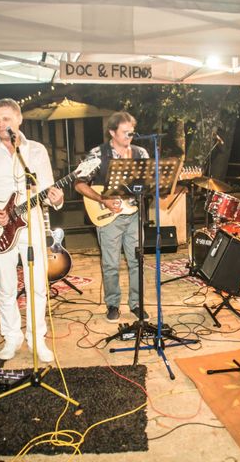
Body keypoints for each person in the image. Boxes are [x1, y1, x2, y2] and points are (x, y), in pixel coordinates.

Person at [0, 98, 64, 362]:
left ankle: (37, 339)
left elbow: (48, 191)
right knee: (5, 285)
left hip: (32, 223)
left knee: (37, 285)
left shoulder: (37, 150)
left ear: (19, 120)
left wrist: (56, 197)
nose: (1, 124)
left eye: (6, 119)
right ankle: (11, 337)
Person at [75, 111, 150, 322]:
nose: (130, 137)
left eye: (131, 133)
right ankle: (113, 304)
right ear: (112, 132)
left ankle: (136, 304)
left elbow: (149, 182)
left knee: (137, 262)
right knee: (111, 264)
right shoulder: (97, 154)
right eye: (125, 133)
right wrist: (102, 199)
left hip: (134, 214)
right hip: (108, 216)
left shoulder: (140, 153)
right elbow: (79, 183)